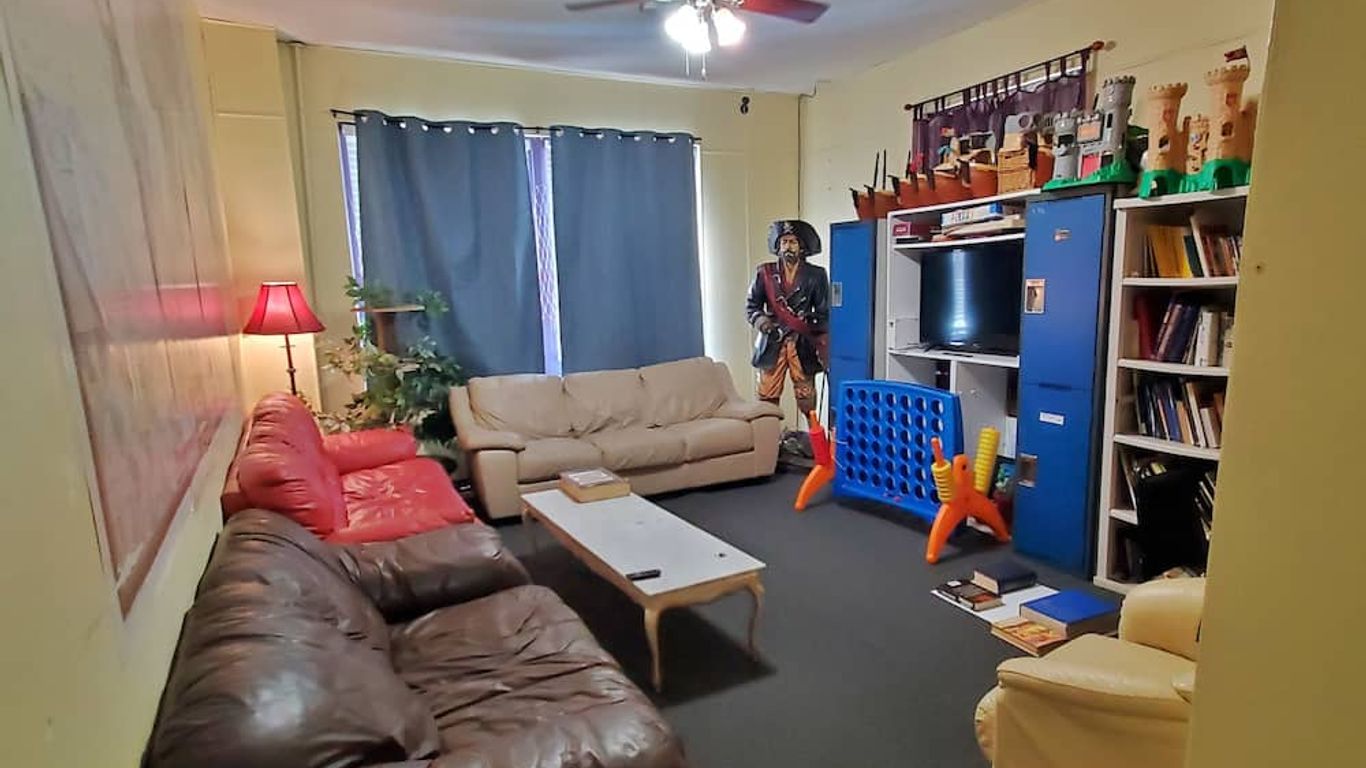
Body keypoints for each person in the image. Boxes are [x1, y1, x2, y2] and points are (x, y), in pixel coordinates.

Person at [746, 219, 830, 425]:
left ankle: (815, 439)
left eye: (793, 242)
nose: (788, 247)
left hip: (801, 344)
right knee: (767, 398)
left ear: (801, 246)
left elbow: (824, 312)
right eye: (784, 242)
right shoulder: (764, 273)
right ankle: (768, 438)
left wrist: (810, 324)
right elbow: (751, 306)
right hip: (772, 341)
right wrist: (763, 322)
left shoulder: (816, 275)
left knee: (807, 398)